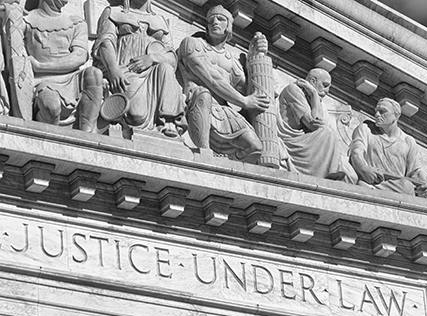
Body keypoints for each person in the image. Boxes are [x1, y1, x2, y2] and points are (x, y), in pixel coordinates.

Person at [177, 6, 265, 162]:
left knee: (255, 147)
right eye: (211, 20)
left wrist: (255, 58)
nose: (214, 22)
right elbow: (211, 77)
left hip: (224, 111)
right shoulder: (192, 44)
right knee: (203, 93)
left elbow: (249, 91)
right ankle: (204, 152)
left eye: (220, 19)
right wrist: (244, 101)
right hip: (197, 105)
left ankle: (228, 162)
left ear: (229, 27)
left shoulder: (232, 61)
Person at [92, 0, 184, 137]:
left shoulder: (161, 20)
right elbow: (105, 42)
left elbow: (171, 57)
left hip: (156, 72)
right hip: (126, 69)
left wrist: (151, 58)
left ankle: (168, 120)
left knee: (166, 69)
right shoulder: (113, 12)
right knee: (136, 114)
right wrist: (113, 70)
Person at [23, 0, 103, 131]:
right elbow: (13, 51)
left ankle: (87, 134)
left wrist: (41, 66)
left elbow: (80, 56)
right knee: (51, 107)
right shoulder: (27, 21)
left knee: (94, 74)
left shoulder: (76, 23)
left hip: (72, 79)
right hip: (42, 82)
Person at [277, 68, 356, 182]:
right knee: (328, 133)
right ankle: (325, 175)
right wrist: (314, 94)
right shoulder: (293, 90)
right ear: (313, 81)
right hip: (293, 141)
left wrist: (314, 97)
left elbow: (319, 124)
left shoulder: (319, 103)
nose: (327, 91)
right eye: (325, 85)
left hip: (308, 142)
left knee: (351, 175)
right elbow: (313, 124)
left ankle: (328, 175)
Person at [349, 98, 427, 196]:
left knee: (407, 187)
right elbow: (356, 152)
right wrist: (363, 168)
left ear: (396, 115)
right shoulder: (365, 129)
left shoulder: (408, 141)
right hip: (371, 180)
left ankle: (376, 190)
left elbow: (415, 171)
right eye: (376, 111)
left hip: (397, 186)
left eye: (382, 111)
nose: (377, 115)